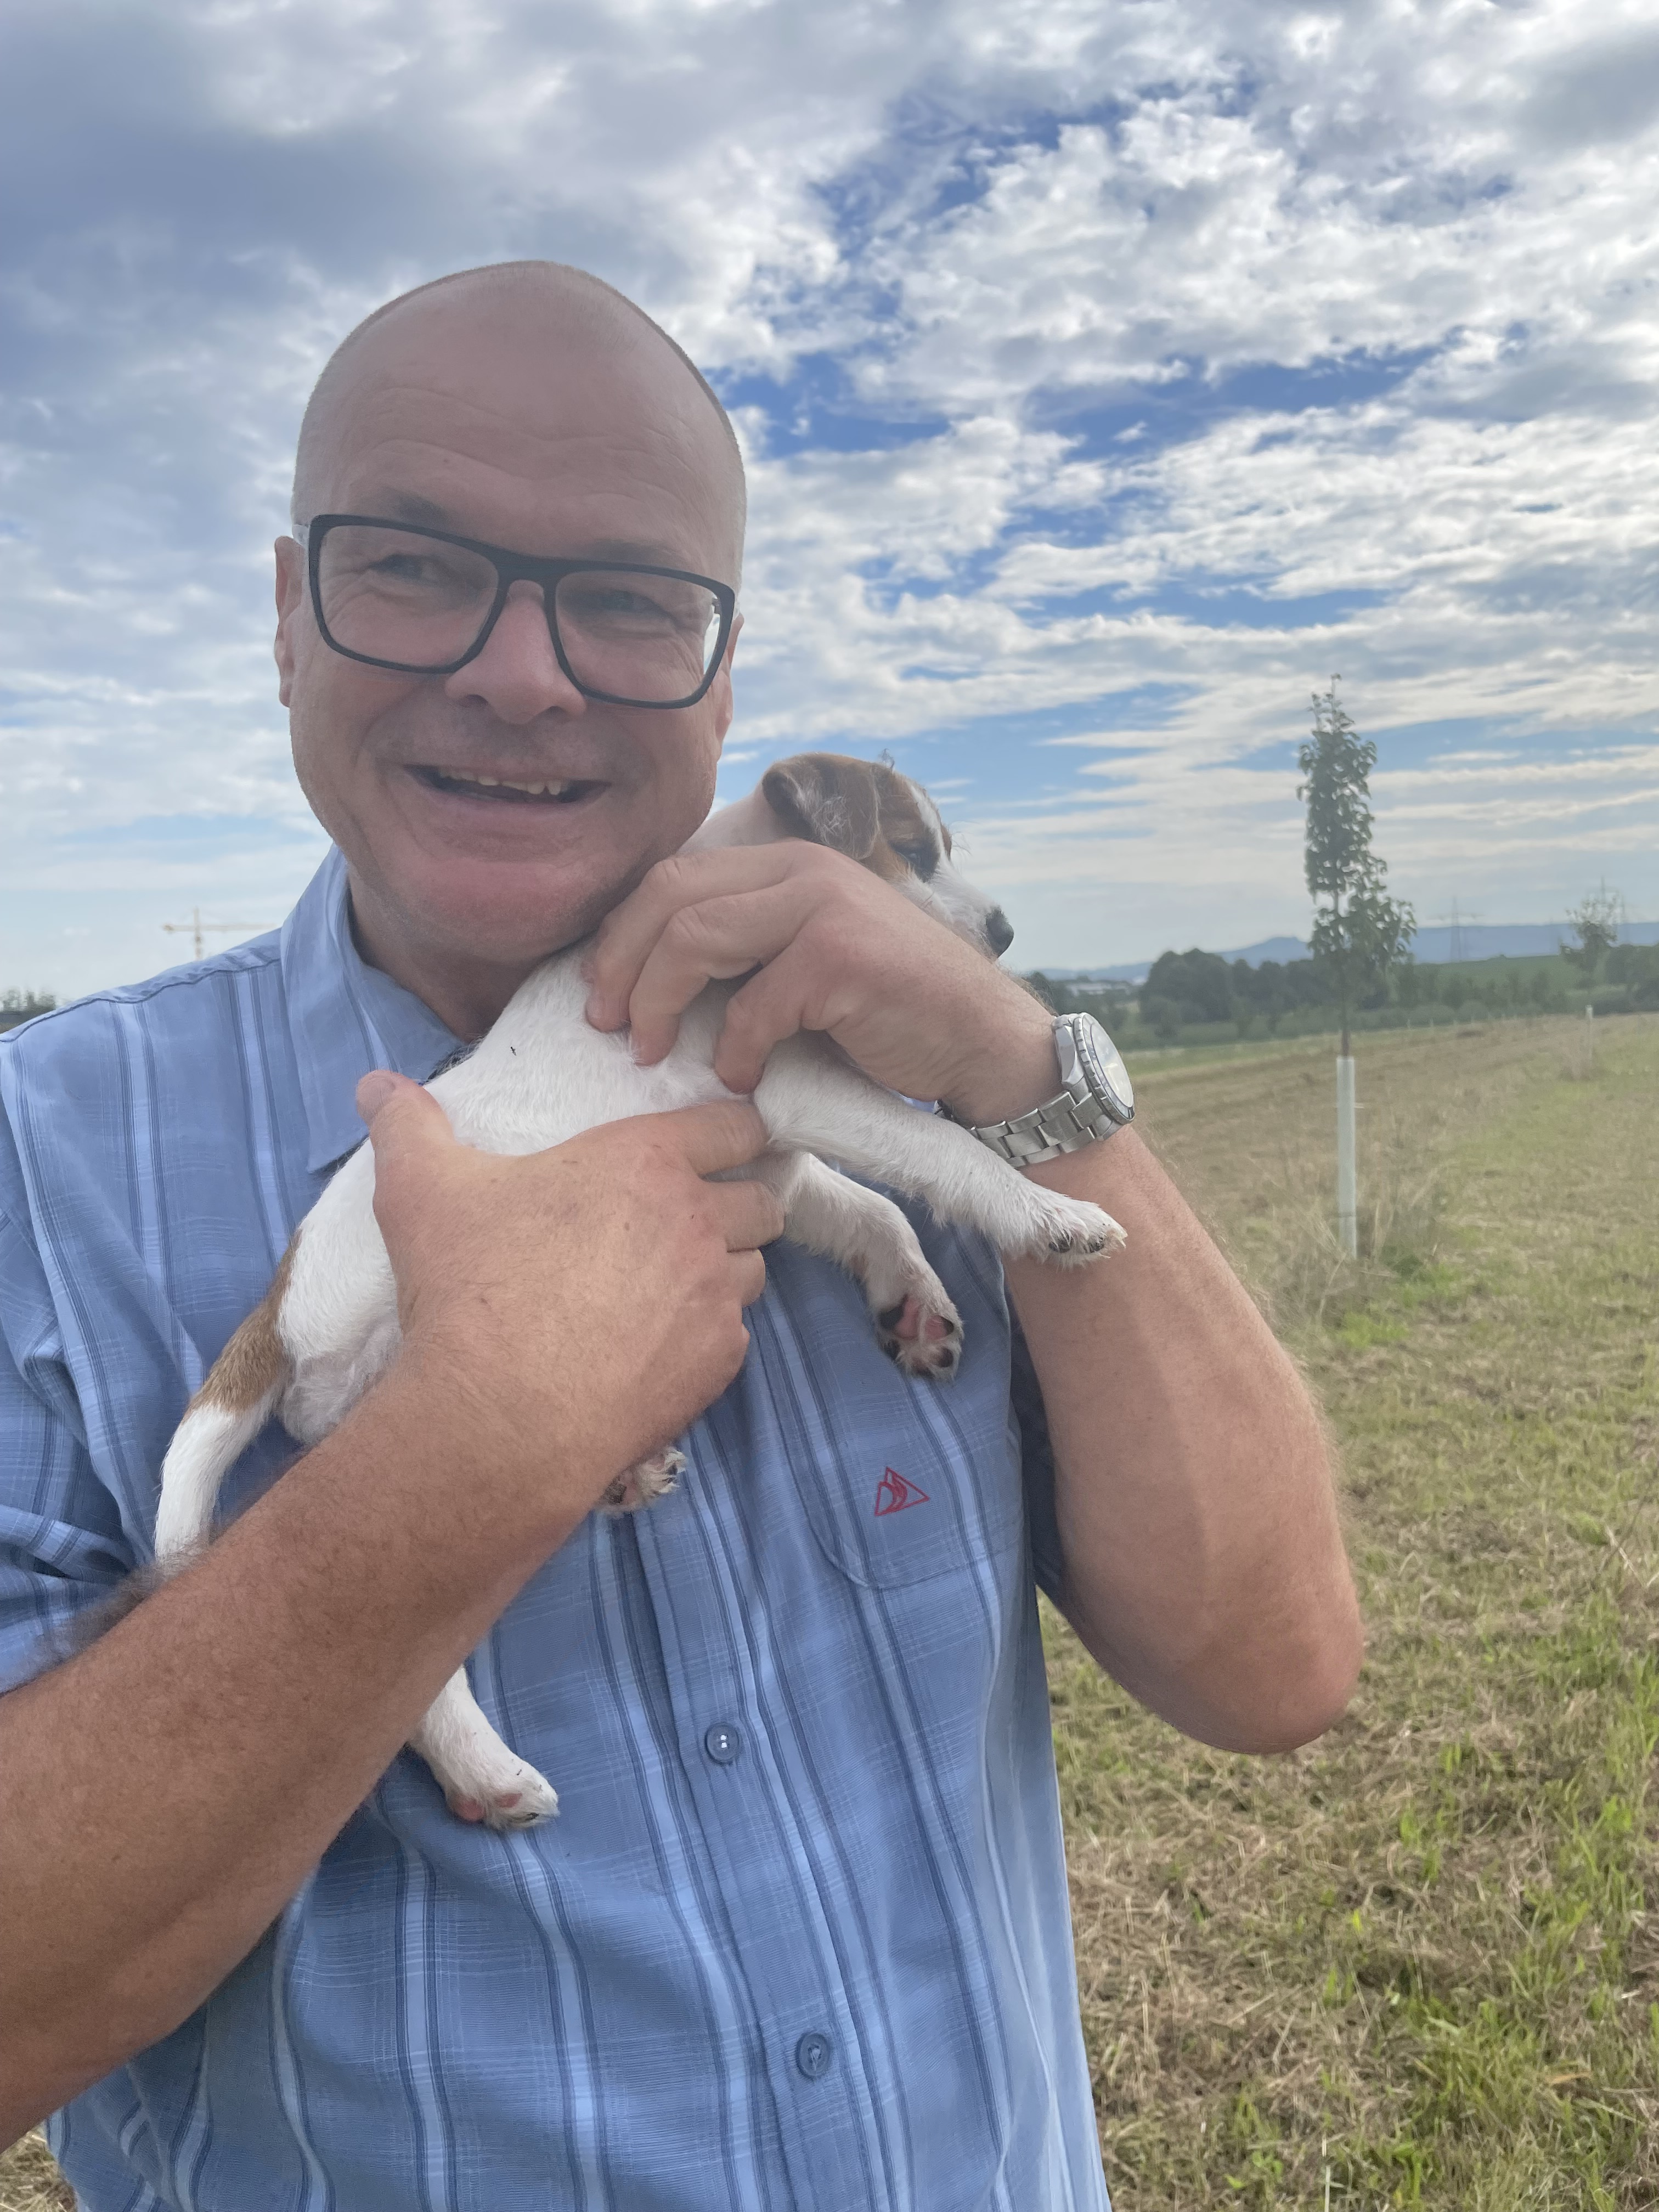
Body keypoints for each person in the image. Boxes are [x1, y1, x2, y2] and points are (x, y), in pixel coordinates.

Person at [0, 261, 1361, 2210]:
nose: (525, 674)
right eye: (415, 565)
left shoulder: (925, 1093)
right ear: (287, 618)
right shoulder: (37, 1165)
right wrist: (465, 1455)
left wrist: (1021, 1069)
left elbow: (1275, 1669)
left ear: (723, 684)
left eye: (632, 598)